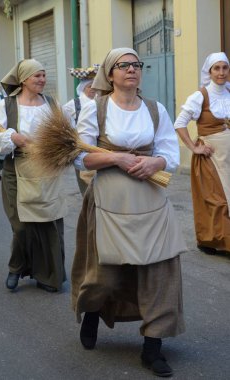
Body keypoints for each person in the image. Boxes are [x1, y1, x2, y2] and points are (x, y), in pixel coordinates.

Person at [71, 47, 187, 378]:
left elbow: (169, 151)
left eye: (136, 64)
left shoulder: (155, 108)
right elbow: (80, 157)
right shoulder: (96, 108)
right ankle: (93, 310)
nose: (132, 70)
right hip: (110, 199)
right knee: (105, 272)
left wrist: (156, 162)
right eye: (124, 65)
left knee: (160, 271)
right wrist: (116, 158)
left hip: (150, 198)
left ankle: (153, 348)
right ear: (110, 74)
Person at [0, 59, 67, 292]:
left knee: (48, 223)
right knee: (21, 225)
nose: (42, 80)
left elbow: (65, 132)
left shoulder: (52, 104)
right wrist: (12, 137)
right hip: (16, 168)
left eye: (44, 75)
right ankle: (16, 267)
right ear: (23, 80)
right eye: (37, 76)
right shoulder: (8, 105)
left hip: (47, 170)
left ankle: (49, 276)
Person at [174, 52, 230, 256]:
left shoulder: (229, 92)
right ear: (209, 71)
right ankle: (211, 239)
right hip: (211, 158)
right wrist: (194, 147)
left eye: (225, 68)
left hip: (229, 157)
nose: (221, 72)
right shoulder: (200, 95)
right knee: (217, 200)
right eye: (217, 68)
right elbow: (179, 124)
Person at [63, 72, 98, 195]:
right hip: (82, 149)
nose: (93, 89)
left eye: (95, 86)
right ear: (83, 88)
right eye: (90, 87)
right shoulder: (74, 104)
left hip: (100, 148)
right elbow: (63, 119)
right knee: (85, 183)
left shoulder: (102, 102)